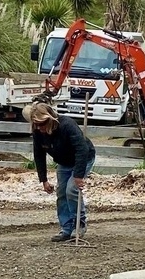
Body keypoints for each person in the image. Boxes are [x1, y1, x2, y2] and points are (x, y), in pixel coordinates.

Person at [24, 101, 96, 242]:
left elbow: (82, 150)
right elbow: (39, 154)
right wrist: (43, 179)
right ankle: (66, 228)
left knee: (71, 190)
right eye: (36, 125)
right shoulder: (38, 131)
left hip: (83, 158)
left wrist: (78, 175)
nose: (40, 128)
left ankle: (79, 224)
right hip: (64, 162)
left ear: (50, 118)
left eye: (42, 124)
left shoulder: (67, 125)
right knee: (61, 192)